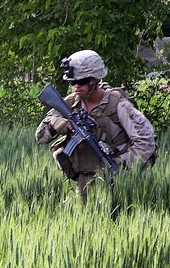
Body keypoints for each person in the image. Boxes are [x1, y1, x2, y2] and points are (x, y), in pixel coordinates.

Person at [35, 49, 157, 198]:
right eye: (72, 82)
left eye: (81, 81)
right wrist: (57, 123)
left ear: (95, 79)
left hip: (118, 182)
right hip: (84, 183)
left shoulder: (117, 104)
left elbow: (146, 141)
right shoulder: (70, 104)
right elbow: (40, 136)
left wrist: (119, 164)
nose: (76, 86)